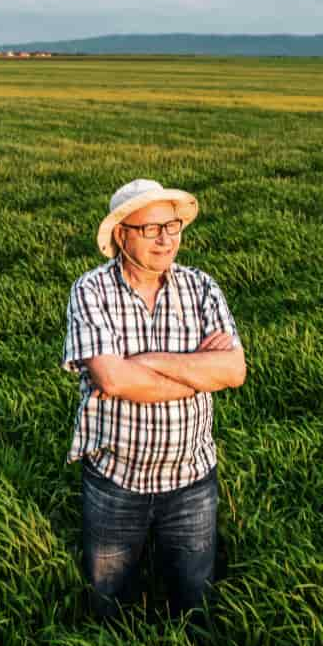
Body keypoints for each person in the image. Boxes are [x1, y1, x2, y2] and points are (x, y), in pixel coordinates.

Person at [61, 178, 246, 620]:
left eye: (173, 225)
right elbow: (113, 378)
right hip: (115, 481)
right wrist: (199, 372)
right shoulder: (91, 291)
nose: (166, 239)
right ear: (121, 234)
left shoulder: (202, 288)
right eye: (151, 229)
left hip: (192, 482)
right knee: (109, 600)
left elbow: (234, 371)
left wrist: (149, 360)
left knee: (194, 598)